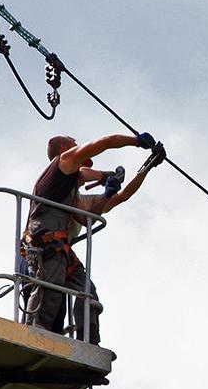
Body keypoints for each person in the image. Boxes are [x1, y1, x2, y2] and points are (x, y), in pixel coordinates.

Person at [22, 132, 158, 344]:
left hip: (62, 249)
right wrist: (135, 141)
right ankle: (33, 332)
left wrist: (146, 168)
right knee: (49, 287)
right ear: (63, 149)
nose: (77, 144)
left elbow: (114, 201)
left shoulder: (73, 198)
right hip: (45, 242)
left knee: (87, 292)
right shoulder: (63, 162)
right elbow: (102, 143)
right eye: (73, 143)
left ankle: (89, 339)